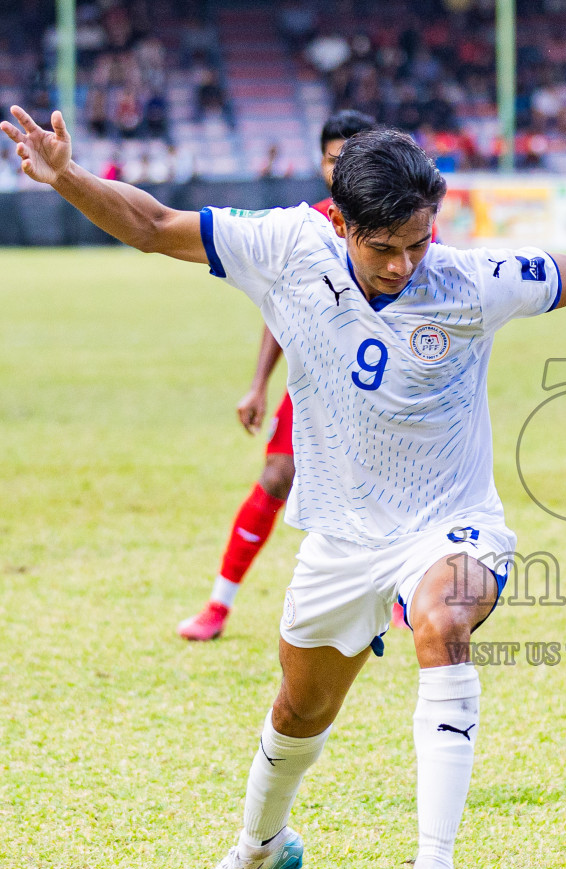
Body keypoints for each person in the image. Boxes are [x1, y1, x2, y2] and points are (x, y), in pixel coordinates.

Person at [0, 107, 566, 869]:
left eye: (420, 240)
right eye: (386, 248)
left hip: (453, 522)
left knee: (442, 623)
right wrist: (66, 176)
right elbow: (153, 227)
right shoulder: (287, 246)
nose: (408, 263)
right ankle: (260, 845)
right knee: (298, 712)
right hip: (340, 538)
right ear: (340, 223)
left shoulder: (470, 279)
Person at [178, 109, 378, 642]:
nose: (345, 167)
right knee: (276, 477)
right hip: (314, 383)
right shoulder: (308, 225)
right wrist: (258, 384)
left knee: (383, 485)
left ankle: (399, 600)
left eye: (356, 154)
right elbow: (280, 310)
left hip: (382, 387)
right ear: (322, 162)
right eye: (337, 158)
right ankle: (218, 606)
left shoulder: (396, 219)